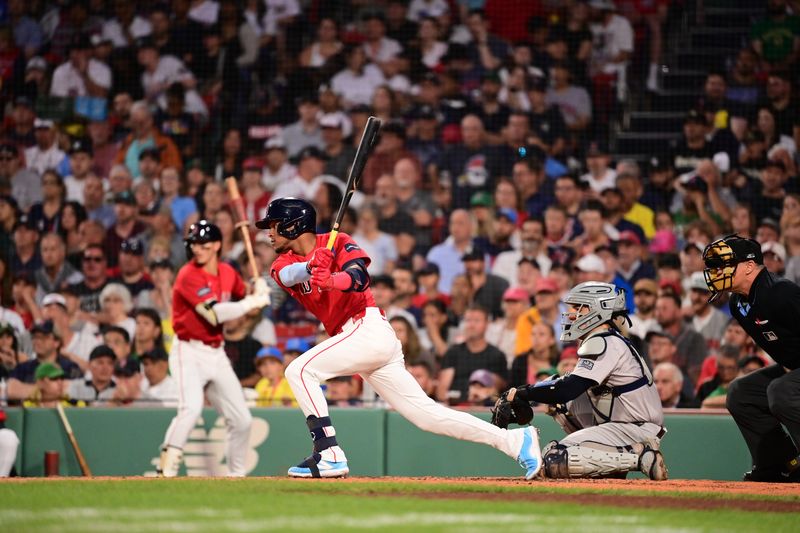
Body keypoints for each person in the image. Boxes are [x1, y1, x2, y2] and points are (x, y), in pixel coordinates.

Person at [256, 197, 541, 479]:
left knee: (299, 370)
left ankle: (328, 452)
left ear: (294, 225)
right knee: (427, 416)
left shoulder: (338, 241)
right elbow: (289, 275)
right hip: (356, 340)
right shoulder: (282, 262)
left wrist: (332, 278)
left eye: (275, 225)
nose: (269, 232)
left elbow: (359, 278)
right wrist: (310, 267)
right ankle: (516, 442)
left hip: (367, 328)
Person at [492, 281, 668, 480]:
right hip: (625, 424)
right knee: (559, 402)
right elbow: (561, 386)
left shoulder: (604, 341)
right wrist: (522, 393)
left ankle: (641, 458)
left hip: (635, 428)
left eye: (578, 307)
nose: (572, 314)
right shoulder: (607, 339)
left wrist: (525, 392)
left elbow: (568, 389)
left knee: (555, 458)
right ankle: (614, 460)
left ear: (597, 308)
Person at [157, 220, 269, 478]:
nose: (197, 249)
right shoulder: (187, 274)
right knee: (191, 408)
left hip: (215, 352)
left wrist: (257, 290)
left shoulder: (228, 272)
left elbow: (246, 300)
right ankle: (165, 469)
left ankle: (236, 475)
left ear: (217, 246)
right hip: (188, 350)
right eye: (194, 244)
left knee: (242, 419)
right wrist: (249, 303)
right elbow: (213, 314)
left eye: (203, 245)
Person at [702, 235, 800, 481]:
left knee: (782, 390)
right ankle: (780, 464)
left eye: (723, 264)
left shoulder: (780, 293)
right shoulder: (738, 303)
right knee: (741, 392)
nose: (715, 272)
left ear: (748, 266)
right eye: (714, 266)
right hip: (795, 368)